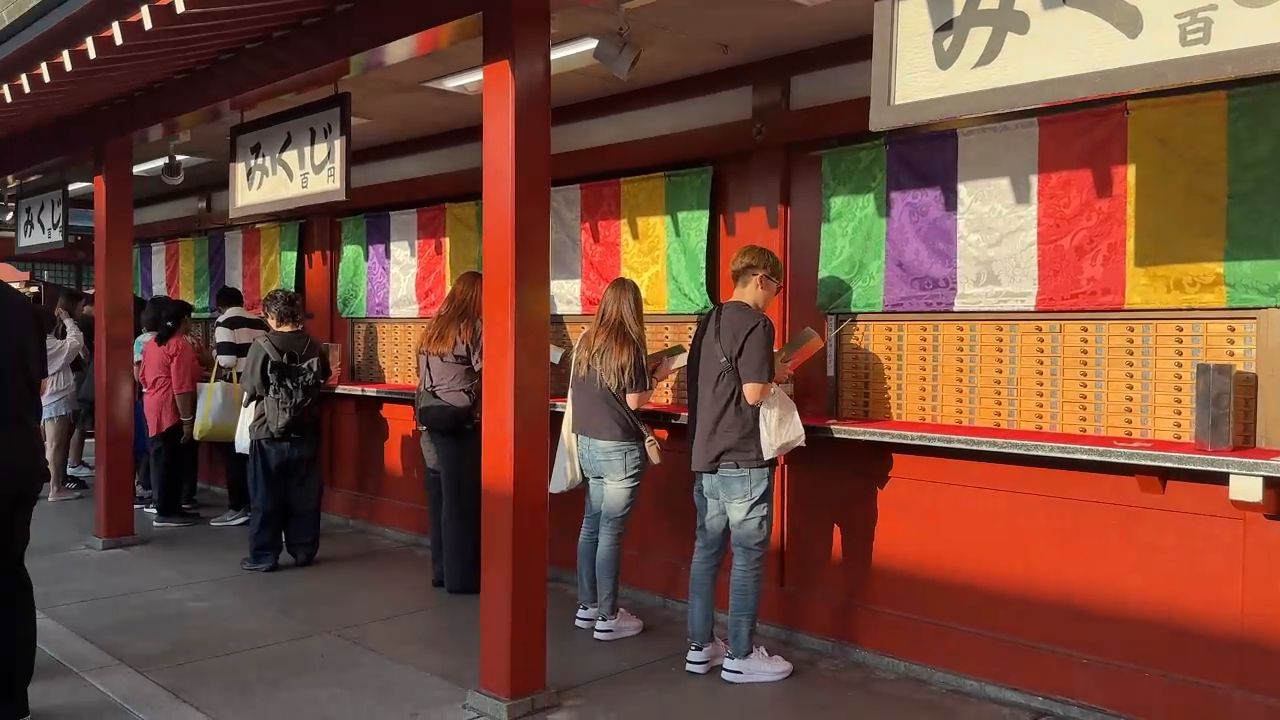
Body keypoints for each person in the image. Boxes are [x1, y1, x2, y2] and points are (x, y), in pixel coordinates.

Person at [683, 245, 794, 684]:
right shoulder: (757, 323)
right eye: (777, 289)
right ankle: (742, 654)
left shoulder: (707, 321)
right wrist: (776, 375)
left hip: (705, 453)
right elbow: (752, 393)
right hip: (743, 456)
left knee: (706, 552)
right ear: (762, 279)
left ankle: (700, 647)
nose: (775, 298)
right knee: (746, 556)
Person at [570, 278, 671, 641]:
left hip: (587, 445)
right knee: (610, 531)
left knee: (591, 526)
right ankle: (609, 616)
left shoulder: (587, 343)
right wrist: (657, 377)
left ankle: (588, 606)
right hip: (618, 449)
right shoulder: (628, 346)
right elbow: (634, 402)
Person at [240, 289, 333, 572]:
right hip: (306, 431)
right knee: (304, 495)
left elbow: (250, 386)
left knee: (265, 496)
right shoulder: (314, 345)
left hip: (268, 431)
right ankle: (303, 549)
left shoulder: (262, 345)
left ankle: (264, 556)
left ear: (270, 316)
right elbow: (324, 377)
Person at [0, 282, 49, 720]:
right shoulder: (22, 307)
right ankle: (13, 700)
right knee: (10, 575)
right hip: (18, 457)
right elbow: (37, 379)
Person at [416, 271, 482, 594]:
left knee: (439, 500)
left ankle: (440, 572)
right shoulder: (472, 327)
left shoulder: (433, 328)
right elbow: (492, 369)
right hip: (458, 423)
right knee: (460, 505)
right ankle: (462, 579)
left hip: (430, 420)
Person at [139, 299, 203, 528]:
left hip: (152, 404)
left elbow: (143, 377)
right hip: (171, 409)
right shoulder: (180, 346)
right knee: (170, 460)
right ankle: (166, 510)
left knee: (161, 458)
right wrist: (187, 421)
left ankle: (168, 506)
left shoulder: (152, 344)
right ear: (184, 321)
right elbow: (182, 386)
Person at [209, 286, 269, 528]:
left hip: (236, 393)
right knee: (254, 449)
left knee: (233, 451)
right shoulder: (260, 322)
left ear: (219, 305)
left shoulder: (224, 322)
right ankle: (256, 503)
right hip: (260, 392)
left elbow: (227, 360)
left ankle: (237, 506)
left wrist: (214, 353)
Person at [40, 301, 86, 502]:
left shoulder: (37, 341)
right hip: (56, 397)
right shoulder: (48, 344)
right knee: (56, 445)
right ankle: (55, 488)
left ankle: (55, 485)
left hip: (49, 397)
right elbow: (76, 341)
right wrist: (68, 320)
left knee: (53, 444)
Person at [132, 296, 168, 511]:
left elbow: (137, 375)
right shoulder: (173, 340)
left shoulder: (141, 340)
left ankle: (145, 485)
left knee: (146, 444)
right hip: (167, 398)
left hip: (146, 396)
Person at [67, 292, 94, 485]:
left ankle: (73, 462)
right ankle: (74, 463)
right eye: (81, 305)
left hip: (73, 378)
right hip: (80, 377)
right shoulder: (84, 322)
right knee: (79, 421)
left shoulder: (75, 323)